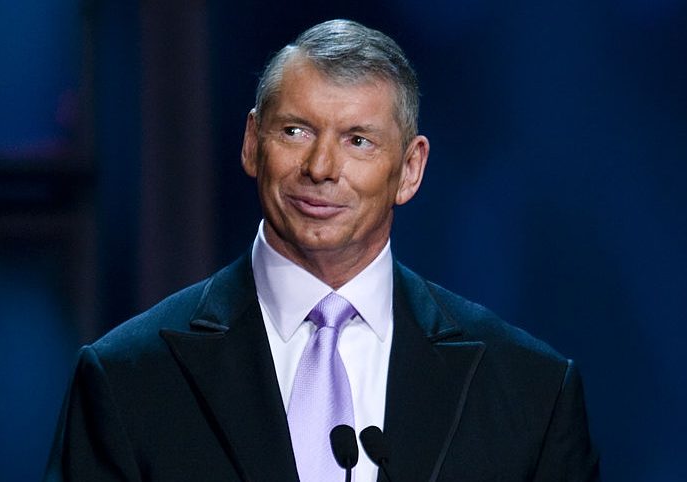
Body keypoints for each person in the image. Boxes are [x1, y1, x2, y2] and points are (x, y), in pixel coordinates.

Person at [45, 19, 599, 482]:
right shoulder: (127, 379)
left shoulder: (531, 394)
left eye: (358, 140)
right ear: (251, 144)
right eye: (295, 132)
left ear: (410, 170)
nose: (321, 169)